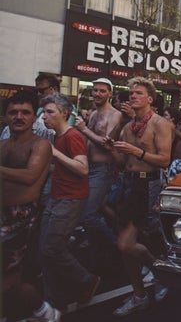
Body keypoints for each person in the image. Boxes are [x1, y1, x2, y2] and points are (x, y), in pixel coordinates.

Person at [105, 77, 172, 316]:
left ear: (150, 99)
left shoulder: (160, 123)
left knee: (126, 243)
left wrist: (136, 150)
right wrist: (113, 149)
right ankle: (139, 294)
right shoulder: (127, 126)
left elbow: (164, 160)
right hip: (127, 183)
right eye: (131, 93)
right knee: (125, 246)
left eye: (138, 93)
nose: (132, 96)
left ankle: (160, 272)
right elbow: (124, 164)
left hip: (148, 185)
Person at [0, 90, 59, 322]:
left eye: (25, 112)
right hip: (2, 214)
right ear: (5, 116)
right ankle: (39, 311)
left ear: (34, 117)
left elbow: (30, 176)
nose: (19, 117)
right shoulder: (3, 144)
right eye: (13, 112)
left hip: (21, 218)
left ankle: (43, 310)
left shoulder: (40, 144)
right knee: (10, 281)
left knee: (8, 282)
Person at [39, 92, 101, 308]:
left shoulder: (72, 135)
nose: (44, 117)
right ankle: (55, 300)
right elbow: (64, 166)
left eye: (49, 112)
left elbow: (82, 169)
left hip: (71, 198)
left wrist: (54, 154)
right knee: (45, 249)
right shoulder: (58, 135)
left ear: (64, 113)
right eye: (43, 112)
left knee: (51, 248)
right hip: (57, 196)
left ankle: (87, 280)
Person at [75, 78, 123, 262]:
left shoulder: (114, 115)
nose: (97, 94)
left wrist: (84, 130)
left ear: (110, 93)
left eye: (102, 91)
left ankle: (116, 245)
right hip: (90, 168)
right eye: (95, 90)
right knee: (90, 211)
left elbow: (107, 145)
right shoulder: (94, 114)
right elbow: (88, 142)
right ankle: (98, 247)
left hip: (103, 169)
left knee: (89, 215)